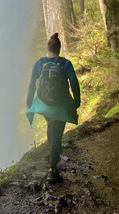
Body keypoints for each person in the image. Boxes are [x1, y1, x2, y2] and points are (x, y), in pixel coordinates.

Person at [26, 33, 81, 183]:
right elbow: (74, 83)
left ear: (48, 48)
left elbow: (31, 84)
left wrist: (29, 102)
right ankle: (52, 170)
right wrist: (76, 101)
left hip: (44, 103)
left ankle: (52, 152)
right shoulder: (65, 64)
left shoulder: (40, 63)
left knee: (50, 125)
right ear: (59, 48)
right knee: (57, 134)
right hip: (60, 104)